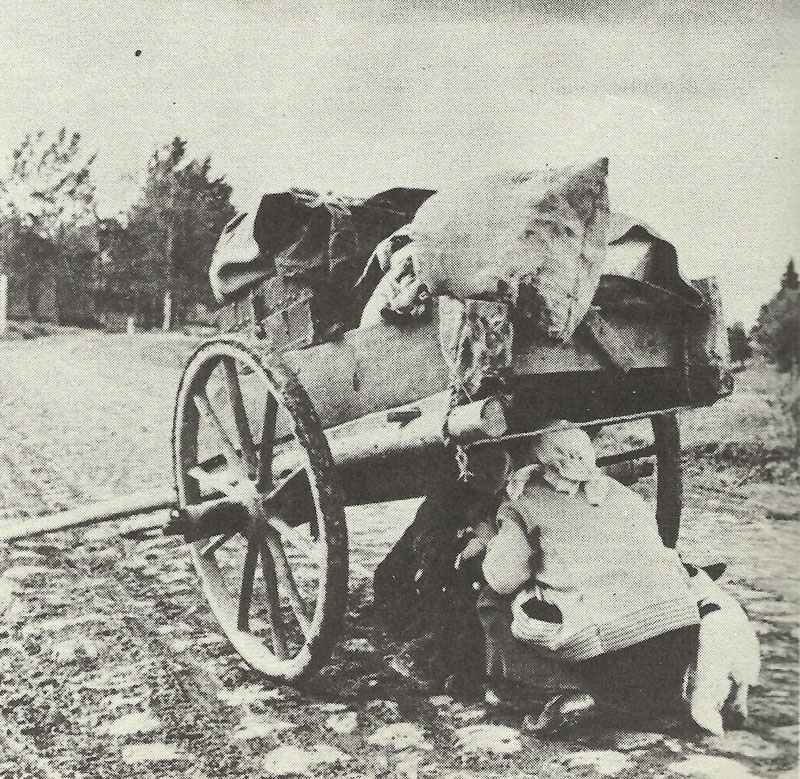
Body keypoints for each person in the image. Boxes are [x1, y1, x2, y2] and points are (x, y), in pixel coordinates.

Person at [478, 423, 701, 731]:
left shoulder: (523, 503)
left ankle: (557, 690)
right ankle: (679, 683)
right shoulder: (621, 493)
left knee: (490, 600)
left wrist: (490, 538)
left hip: (613, 645)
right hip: (680, 628)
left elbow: (503, 578)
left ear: (536, 463)